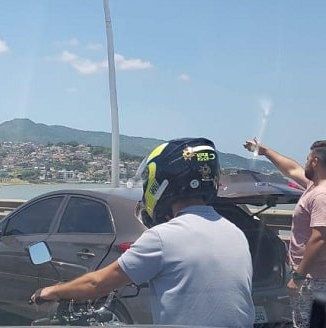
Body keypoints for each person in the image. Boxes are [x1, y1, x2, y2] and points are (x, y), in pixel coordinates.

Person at [31, 138, 255, 327]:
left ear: (161, 183)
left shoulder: (163, 238)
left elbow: (96, 284)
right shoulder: (235, 233)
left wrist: (52, 291)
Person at [244, 138, 326, 327]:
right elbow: (291, 169)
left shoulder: (321, 194)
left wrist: (298, 276)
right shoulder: (314, 187)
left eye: (307, 159)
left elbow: (320, 238)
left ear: (315, 161)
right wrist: (265, 151)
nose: (303, 163)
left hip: (315, 280)